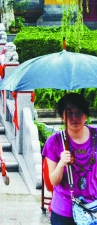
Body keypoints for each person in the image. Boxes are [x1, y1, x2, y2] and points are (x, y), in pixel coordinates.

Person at [43, 93, 97, 224]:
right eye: (69, 113)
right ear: (62, 116)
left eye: (79, 112)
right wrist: (61, 164)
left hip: (93, 209)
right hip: (64, 211)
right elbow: (53, 182)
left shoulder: (95, 136)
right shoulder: (54, 141)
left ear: (86, 114)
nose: (74, 117)